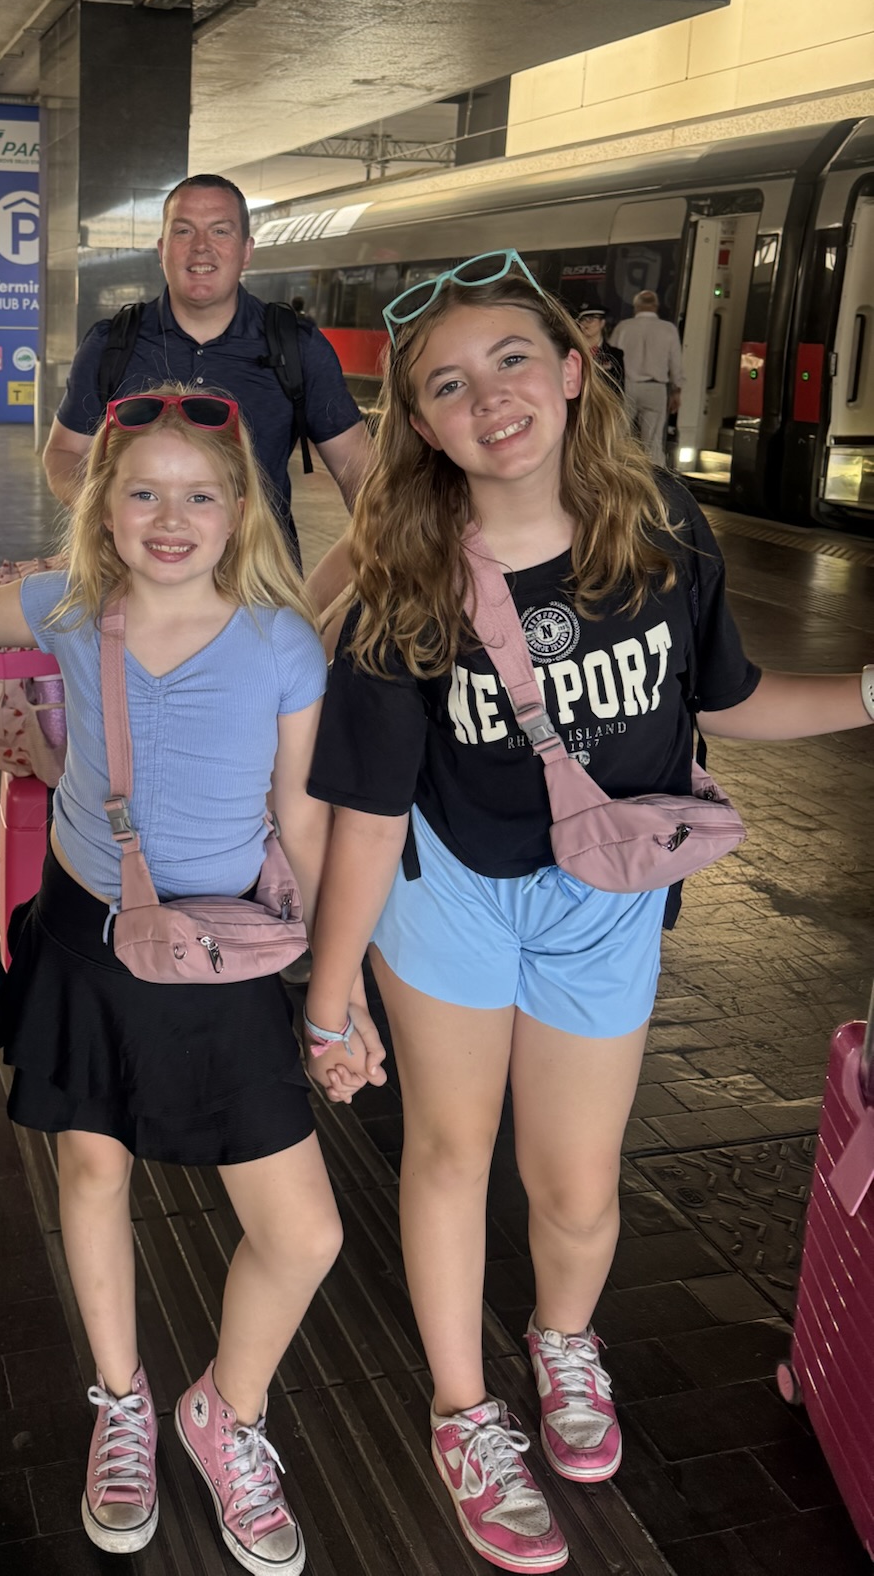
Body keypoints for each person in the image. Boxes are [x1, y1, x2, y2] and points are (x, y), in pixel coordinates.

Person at [298, 253, 874, 1572]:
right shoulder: (404, 575)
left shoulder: (663, 527)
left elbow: (725, 702)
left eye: (512, 361)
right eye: (447, 384)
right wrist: (329, 1002)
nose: (488, 397)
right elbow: (371, 814)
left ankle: (565, 1342)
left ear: (570, 372)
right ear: (424, 426)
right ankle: (464, 1414)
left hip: (605, 894)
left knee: (577, 1182)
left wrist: (871, 695)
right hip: (452, 883)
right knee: (451, 1150)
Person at [0, 384, 347, 1574]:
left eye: (199, 493)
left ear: (242, 508)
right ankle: (122, 1401)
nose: (170, 516)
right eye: (143, 491)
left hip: (225, 952)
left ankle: (224, 1410)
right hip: (87, 932)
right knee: (92, 1161)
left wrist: (340, 985)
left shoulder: (283, 643)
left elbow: (302, 814)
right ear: (105, 505)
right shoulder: (74, 608)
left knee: (305, 1230)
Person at [42, 174, 372, 557]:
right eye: (184, 232)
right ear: (162, 249)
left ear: (246, 250)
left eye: (220, 231)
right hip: (133, 589)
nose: (201, 247)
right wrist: (110, 511)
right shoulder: (111, 345)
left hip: (258, 594)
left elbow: (362, 476)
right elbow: (64, 454)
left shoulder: (298, 348)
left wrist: (364, 578)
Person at [609, 290, 682, 467]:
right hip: (656, 389)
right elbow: (676, 362)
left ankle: (614, 475)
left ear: (636, 307)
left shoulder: (624, 327)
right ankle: (655, 484)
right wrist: (677, 390)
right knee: (653, 443)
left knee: (617, 438)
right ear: (655, 307)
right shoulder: (668, 329)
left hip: (628, 388)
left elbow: (611, 358)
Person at [575, 305, 625, 393]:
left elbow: (618, 389)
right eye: (582, 320)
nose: (585, 323)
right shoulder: (574, 351)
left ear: (602, 323)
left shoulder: (615, 354)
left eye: (590, 319)